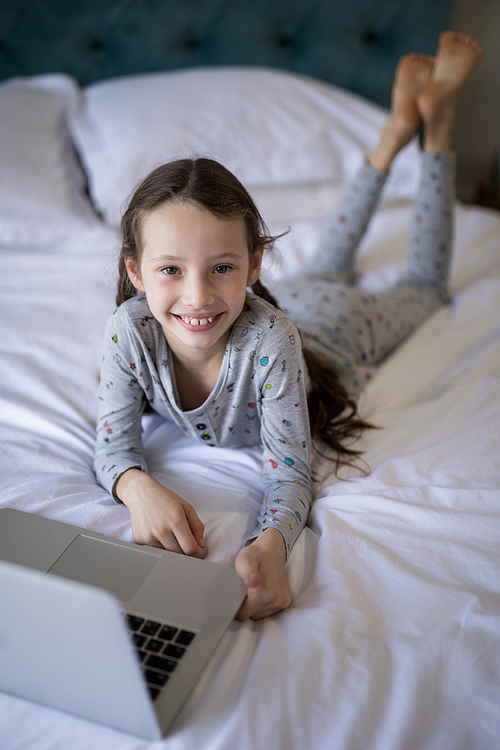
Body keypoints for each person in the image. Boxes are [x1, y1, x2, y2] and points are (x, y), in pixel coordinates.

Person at [94, 31, 482, 621]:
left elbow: (291, 471)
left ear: (253, 264)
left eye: (221, 266)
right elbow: (113, 447)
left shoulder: (273, 338)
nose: (196, 295)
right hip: (277, 299)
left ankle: (436, 124)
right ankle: (393, 136)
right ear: (135, 270)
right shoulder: (129, 330)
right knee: (329, 261)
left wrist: (270, 543)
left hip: (334, 331)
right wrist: (138, 488)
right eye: (170, 268)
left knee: (423, 286)